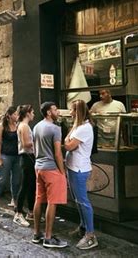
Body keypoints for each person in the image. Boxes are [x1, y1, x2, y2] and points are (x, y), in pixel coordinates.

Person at [32, 102, 68, 248]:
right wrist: (62, 171)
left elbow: (35, 148)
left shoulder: (36, 126)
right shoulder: (55, 128)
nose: (57, 111)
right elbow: (58, 153)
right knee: (52, 202)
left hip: (39, 166)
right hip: (52, 168)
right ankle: (48, 237)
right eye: (54, 109)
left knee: (39, 199)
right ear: (48, 112)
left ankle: (36, 234)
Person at [64, 100, 98, 250]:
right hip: (73, 167)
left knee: (83, 201)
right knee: (78, 200)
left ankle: (91, 235)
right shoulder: (79, 126)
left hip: (79, 169)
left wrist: (67, 138)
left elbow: (69, 145)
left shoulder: (84, 128)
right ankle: (83, 227)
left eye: (72, 110)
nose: (69, 113)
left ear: (77, 111)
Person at [0, 106, 20, 213]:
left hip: (17, 156)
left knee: (16, 181)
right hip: (5, 155)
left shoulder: (17, 126)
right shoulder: (2, 126)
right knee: (2, 179)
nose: (17, 116)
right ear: (9, 115)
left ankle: (16, 203)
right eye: (15, 114)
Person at [14, 105, 36, 227]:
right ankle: (18, 213)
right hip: (26, 157)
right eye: (32, 112)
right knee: (25, 185)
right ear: (27, 113)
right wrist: (37, 141)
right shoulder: (24, 126)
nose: (33, 114)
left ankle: (31, 212)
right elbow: (26, 144)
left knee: (30, 185)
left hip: (27, 157)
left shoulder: (23, 126)